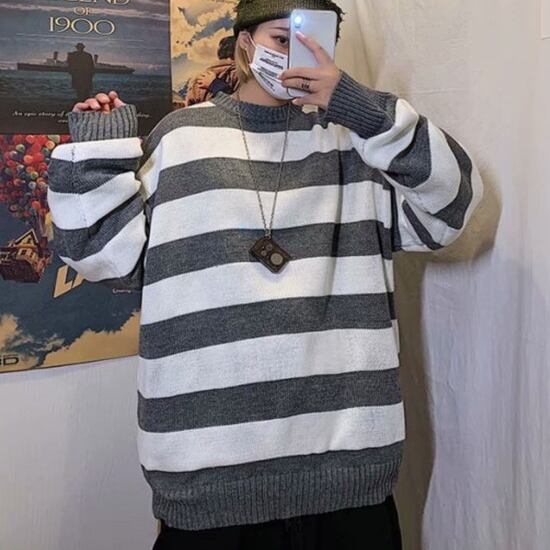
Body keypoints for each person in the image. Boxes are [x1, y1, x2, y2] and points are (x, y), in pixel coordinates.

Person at [46, 0, 484, 548]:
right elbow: (107, 258)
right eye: (283, 38)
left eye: (319, 41)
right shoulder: (182, 138)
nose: (301, 54)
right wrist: (97, 150)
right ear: (245, 45)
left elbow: (451, 210)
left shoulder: (354, 144)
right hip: (208, 478)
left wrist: (365, 111)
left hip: (348, 477)